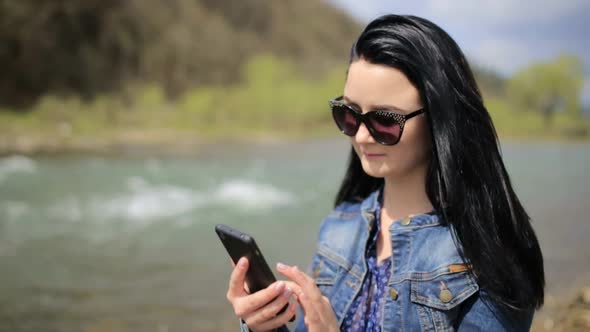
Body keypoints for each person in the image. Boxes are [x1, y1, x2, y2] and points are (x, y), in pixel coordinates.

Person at [225, 14, 545, 331]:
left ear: (440, 117)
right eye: (348, 115)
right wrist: (262, 325)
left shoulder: (491, 252)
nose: (361, 136)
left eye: (385, 120)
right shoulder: (340, 227)